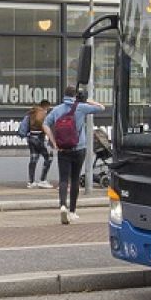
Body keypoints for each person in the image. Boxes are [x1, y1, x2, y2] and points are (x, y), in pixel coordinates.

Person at [43, 86, 106, 223]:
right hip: (79, 148)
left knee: (64, 179)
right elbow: (102, 108)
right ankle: (72, 211)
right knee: (75, 179)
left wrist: (54, 142)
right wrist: (88, 100)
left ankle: (62, 206)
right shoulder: (81, 107)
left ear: (64, 95)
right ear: (75, 96)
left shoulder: (57, 109)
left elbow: (45, 124)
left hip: (63, 149)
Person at [17, 101, 53, 189]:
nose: (47, 110)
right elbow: (44, 126)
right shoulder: (42, 113)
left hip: (31, 138)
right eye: (48, 108)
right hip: (39, 138)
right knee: (49, 157)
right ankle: (42, 180)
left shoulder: (32, 112)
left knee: (33, 159)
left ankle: (31, 181)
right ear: (46, 107)